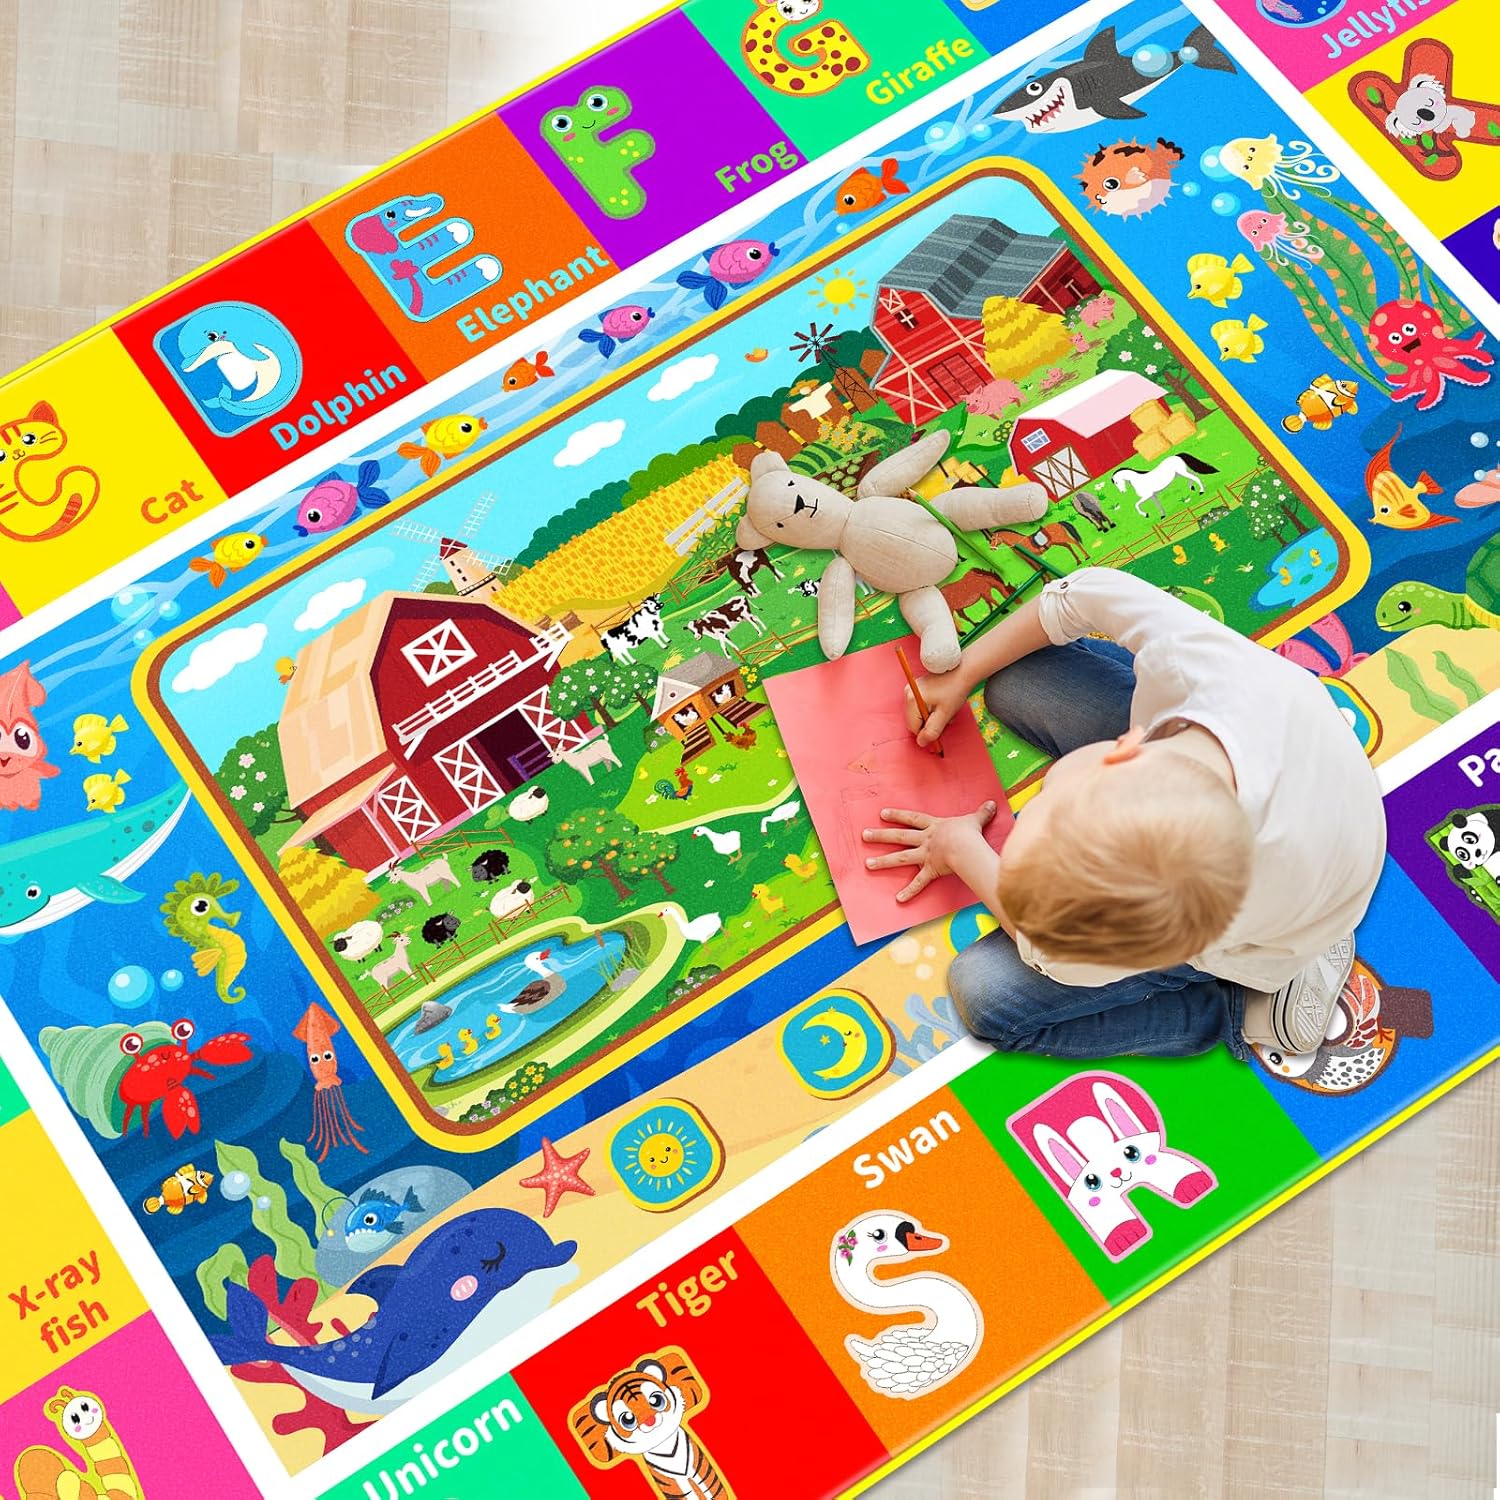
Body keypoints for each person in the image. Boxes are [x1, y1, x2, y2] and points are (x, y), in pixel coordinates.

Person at [862, 568, 1385, 1061]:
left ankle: (1231, 1007)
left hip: (1290, 920)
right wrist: (965, 672)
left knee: (985, 995)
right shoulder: (1198, 663)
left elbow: (1046, 947)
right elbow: (1085, 591)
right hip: (1320, 806)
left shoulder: (1163, 916)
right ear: (1125, 749)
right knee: (1014, 679)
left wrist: (961, 849)